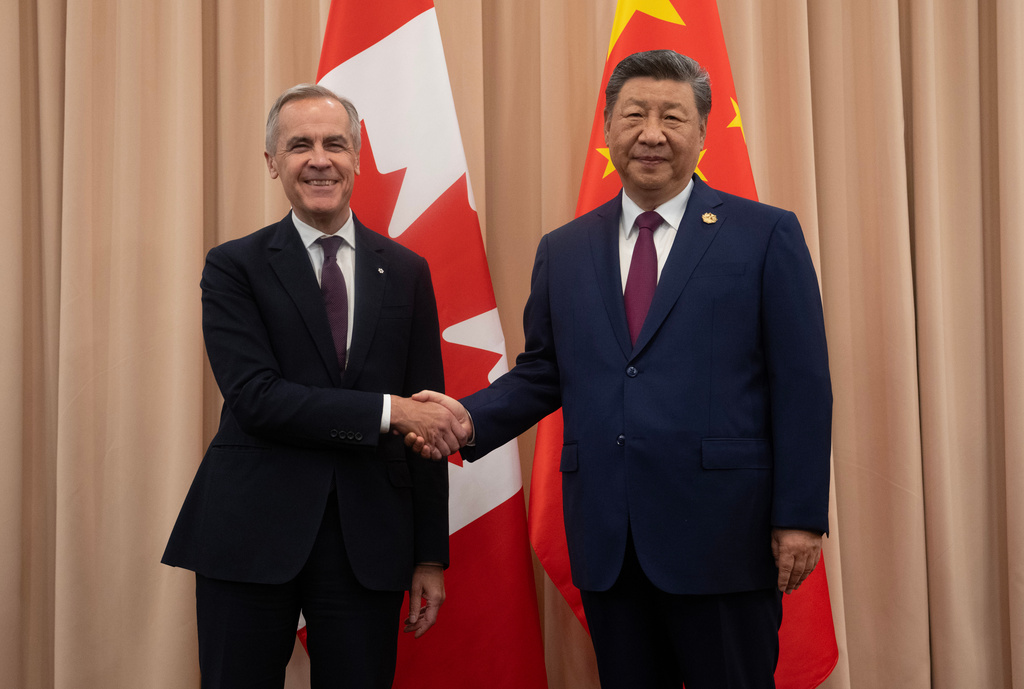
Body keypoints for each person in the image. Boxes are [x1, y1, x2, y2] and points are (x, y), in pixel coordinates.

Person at [410, 50, 832, 688]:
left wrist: (798, 516)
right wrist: (465, 419)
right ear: (608, 129)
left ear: (701, 131)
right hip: (611, 537)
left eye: (672, 117)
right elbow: (545, 372)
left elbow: (802, 385)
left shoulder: (764, 235)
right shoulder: (566, 248)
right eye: (634, 115)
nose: (652, 133)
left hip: (724, 534)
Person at [162, 83, 467, 689]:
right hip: (249, 532)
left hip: (368, 538)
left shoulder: (406, 271)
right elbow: (256, 397)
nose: (319, 159)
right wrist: (388, 411)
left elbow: (426, 418)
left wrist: (430, 552)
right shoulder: (233, 266)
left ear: (357, 158)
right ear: (273, 162)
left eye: (335, 144)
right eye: (299, 145)